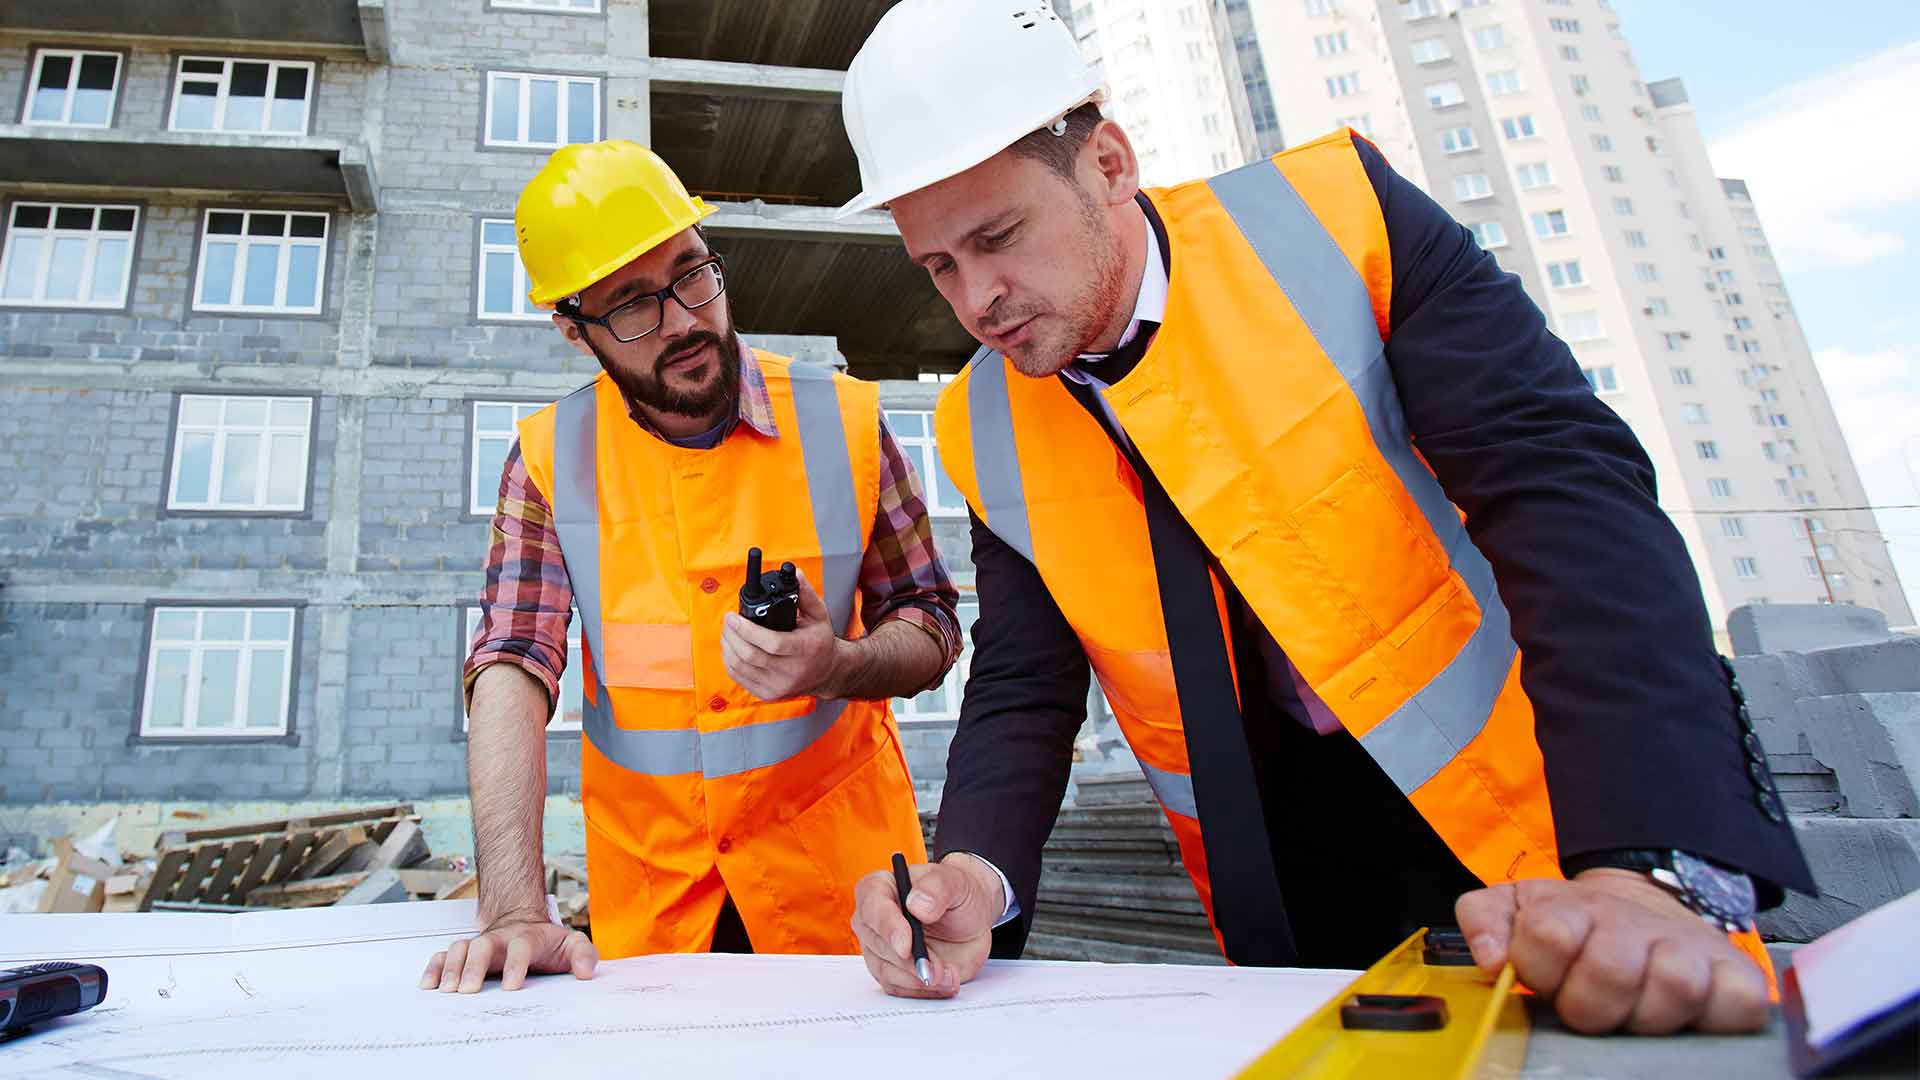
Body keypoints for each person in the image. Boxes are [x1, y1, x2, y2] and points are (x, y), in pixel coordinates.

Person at [839, 1, 1812, 1036]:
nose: (978, 298)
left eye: (997, 238)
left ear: (1110, 163)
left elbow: (1566, 498)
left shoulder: (1339, 221)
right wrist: (976, 874)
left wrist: (1644, 858)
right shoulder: (982, 418)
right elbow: (1025, 684)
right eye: (939, 266)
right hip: (1282, 886)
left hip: (1549, 835)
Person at [421, 140, 961, 993]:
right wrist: (514, 906)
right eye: (633, 306)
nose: (683, 320)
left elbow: (930, 623)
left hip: (850, 909)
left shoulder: (846, 424)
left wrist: (841, 664)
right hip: (659, 916)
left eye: (691, 275)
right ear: (573, 329)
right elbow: (511, 665)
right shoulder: (549, 460)